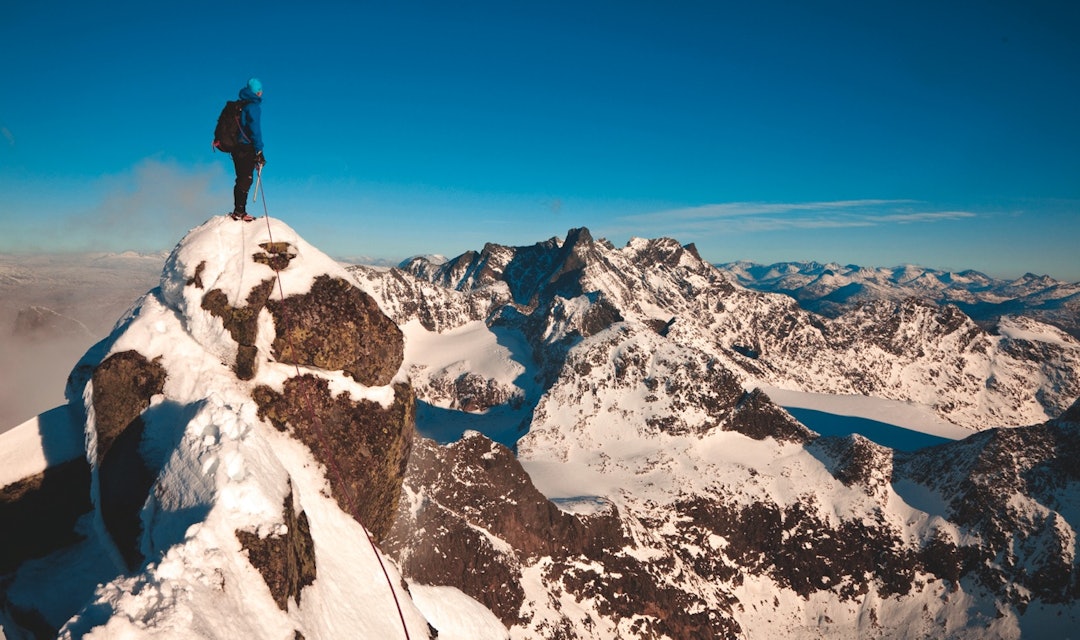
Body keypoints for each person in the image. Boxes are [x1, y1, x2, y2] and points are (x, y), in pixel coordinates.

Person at [229, 78, 266, 222]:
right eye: (260, 90)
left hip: (235, 148)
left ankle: (239, 210)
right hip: (246, 147)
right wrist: (259, 151)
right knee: (246, 179)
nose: (261, 92)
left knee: (241, 178)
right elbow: (255, 130)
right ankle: (239, 212)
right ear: (256, 92)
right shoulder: (253, 107)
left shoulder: (240, 105)